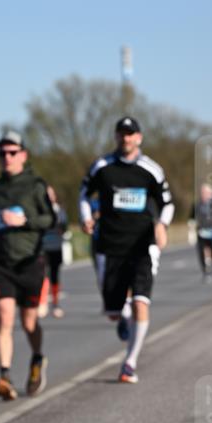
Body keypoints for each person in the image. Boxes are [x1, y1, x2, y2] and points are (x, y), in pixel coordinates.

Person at [79, 116, 173, 384]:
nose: (126, 138)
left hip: (143, 244)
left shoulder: (150, 169)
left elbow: (167, 203)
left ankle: (130, 362)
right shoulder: (102, 167)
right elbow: (84, 193)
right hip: (110, 246)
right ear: (116, 137)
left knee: (141, 301)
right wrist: (86, 217)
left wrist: (162, 225)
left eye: (131, 134)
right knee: (113, 312)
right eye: (122, 133)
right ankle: (123, 314)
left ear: (139, 138)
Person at [0, 130, 55, 400]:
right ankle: (5, 376)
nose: (7, 157)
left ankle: (38, 358)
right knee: (4, 318)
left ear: (23, 155)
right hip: (1, 264)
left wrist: (25, 220)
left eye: (12, 152)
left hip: (30, 262)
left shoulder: (35, 185)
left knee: (29, 322)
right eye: (2, 153)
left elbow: (50, 219)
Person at [38, 186, 68, 318]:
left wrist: (59, 227)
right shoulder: (39, 209)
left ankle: (55, 304)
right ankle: (42, 303)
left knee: (55, 276)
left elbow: (64, 227)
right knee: (43, 275)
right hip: (42, 247)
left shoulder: (59, 210)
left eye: (51, 194)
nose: (49, 197)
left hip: (56, 247)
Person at [191, 182, 212, 281]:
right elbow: (191, 219)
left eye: (206, 192)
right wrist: (191, 233)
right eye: (203, 192)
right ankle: (205, 271)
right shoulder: (197, 205)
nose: (204, 194)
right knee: (201, 252)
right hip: (201, 232)